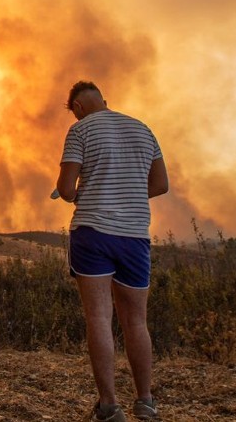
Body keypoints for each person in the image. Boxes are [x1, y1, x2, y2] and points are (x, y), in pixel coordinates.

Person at [54, 81, 168, 422]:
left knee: (100, 318)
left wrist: (85, 190)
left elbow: (66, 189)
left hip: (93, 234)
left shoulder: (79, 131)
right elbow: (161, 184)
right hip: (134, 237)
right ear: (105, 100)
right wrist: (127, 194)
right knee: (137, 321)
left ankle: (108, 406)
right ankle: (146, 401)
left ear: (76, 108)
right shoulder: (143, 129)